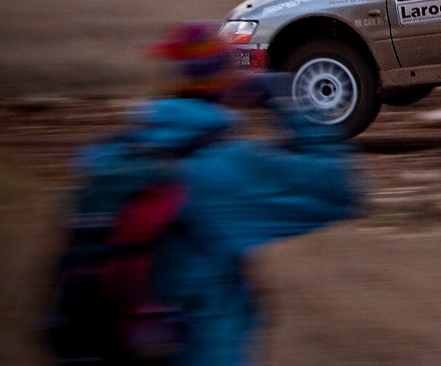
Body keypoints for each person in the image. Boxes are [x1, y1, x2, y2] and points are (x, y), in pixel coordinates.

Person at [62, 21, 363, 365]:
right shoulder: (222, 170)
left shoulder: (109, 159)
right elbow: (338, 186)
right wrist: (281, 97)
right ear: (226, 86)